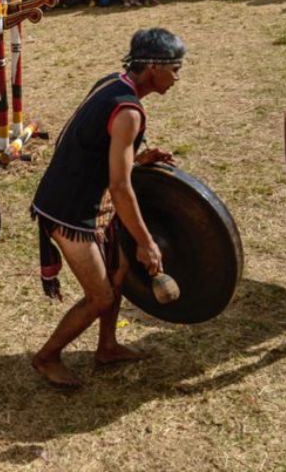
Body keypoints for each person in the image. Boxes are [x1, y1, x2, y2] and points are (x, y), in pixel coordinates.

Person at [30, 27, 182, 388]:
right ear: (152, 69)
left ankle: (108, 346)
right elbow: (120, 185)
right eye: (174, 68)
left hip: (84, 198)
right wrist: (146, 242)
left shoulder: (113, 82)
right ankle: (46, 357)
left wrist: (138, 157)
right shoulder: (128, 111)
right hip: (69, 209)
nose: (178, 76)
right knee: (100, 296)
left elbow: (95, 144)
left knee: (117, 274)